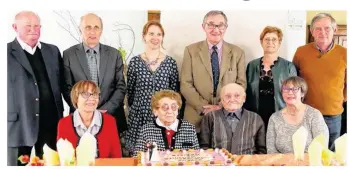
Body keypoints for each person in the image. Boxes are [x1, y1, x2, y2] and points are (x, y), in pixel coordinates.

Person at [7, 11, 65, 165]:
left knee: (51, 164)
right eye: (28, 26)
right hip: (19, 124)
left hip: (51, 122)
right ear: (15, 27)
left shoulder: (52, 51)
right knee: (16, 164)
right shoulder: (5, 53)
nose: (33, 29)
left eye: (37, 26)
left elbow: (63, 84)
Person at [180, 10, 246, 136]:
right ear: (203, 27)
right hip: (196, 117)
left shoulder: (238, 53)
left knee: (224, 155)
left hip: (227, 116)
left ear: (225, 28)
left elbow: (241, 85)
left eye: (220, 25)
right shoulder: (191, 50)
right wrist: (204, 107)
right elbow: (185, 84)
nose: (216, 29)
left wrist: (222, 106)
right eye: (211, 24)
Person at [62, 13, 127, 137]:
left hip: (111, 116)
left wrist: (105, 110)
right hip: (80, 119)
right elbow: (67, 88)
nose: (92, 31)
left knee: (112, 155)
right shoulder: (68, 55)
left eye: (96, 27)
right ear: (80, 29)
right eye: (88, 27)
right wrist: (85, 110)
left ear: (101, 31)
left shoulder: (114, 54)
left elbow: (121, 87)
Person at [293, 13, 346, 151]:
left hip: (333, 115)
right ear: (311, 32)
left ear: (334, 30)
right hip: (307, 113)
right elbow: (295, 80)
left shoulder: (344, 54)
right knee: (307, 151)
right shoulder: (301, 52)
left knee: (331, 154)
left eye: (327, 28)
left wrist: (340, 99)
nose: (322, 32)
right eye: (318, 28)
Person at [125, 21, 179, 155]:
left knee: (161, 155)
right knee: (138, 155)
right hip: (139, 116)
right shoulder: (135, 62)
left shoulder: (170, 63)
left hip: (163, 116)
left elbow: (174, 93)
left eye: (159, 34)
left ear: (162, 37)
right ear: (144, 36)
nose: (155, 38)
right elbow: (130, 92)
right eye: (151, 34)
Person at [245, 26, 297, 128]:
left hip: (281, 117)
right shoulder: (251, 65)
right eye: (267, 39)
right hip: (255, 117)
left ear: (279, 43)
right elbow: (246, 92)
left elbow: (295, 94)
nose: (270, 42)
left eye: (274, 39)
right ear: (261, 42)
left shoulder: (288, 66)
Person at [57, 80, 122, 158]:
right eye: (85, 94)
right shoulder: (64, 123)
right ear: (76, 98)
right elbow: (63, 158)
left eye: (94, 94)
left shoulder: (110, 121)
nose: (91, 98)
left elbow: (116, 158)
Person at [267, 76, 329, 154]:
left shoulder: (314, 115)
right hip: (282, 164)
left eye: (295, 89)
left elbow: (322, 148)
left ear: (302, 93)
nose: (290, 92)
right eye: (286, 89)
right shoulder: (274, 118)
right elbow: (271, 150)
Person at [200, 83, 266, 155]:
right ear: (222, 99)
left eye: (237, 96)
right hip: (219, 164)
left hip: (247, 164)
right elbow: (204, 148)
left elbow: (262, 150)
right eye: (227, 96)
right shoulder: (210, 117)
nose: (232, 99)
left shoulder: (256, 119)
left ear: (244, 98)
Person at [134, 90, 199, 154]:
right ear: (155, 111)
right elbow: (137, 157)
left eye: (173, 107)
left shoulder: (189, 128)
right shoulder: (146, 130)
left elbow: (197, 156)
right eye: (165, 107)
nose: (170, 111)